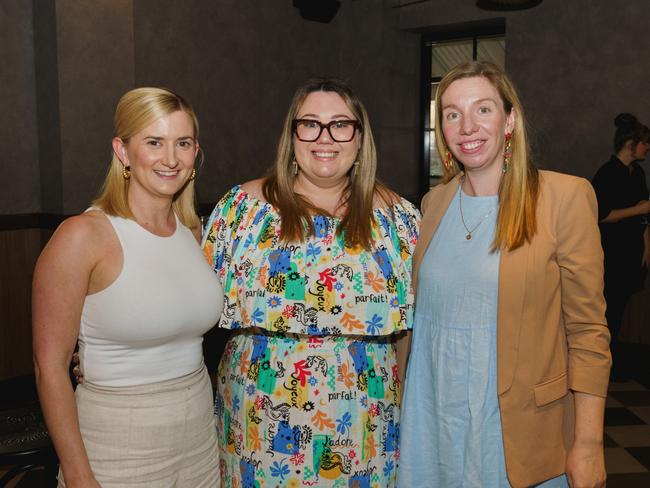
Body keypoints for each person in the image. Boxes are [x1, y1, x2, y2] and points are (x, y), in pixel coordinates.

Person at [398, 61, 611, 488]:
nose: (467, 126)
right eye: (453, 114)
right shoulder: (432, 204)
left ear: (509, 120)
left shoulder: (562, 197)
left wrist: (588, 443)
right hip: (431, 420)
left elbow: (588, 332)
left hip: (516, 433)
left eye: (483, 109)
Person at [201, 78, 420, 487]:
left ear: (359, 138)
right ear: (292, 134)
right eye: (310, 124)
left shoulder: (400, 220)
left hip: (366, 424)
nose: (325, 137)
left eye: (340, 124)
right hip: (259, 423)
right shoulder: (242, 212)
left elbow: (413, 325)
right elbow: (189, 307)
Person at [32, 87, 223, 487]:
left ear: (195, 152)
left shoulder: (193, 231)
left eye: (182, 143)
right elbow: (49, 366)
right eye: (154, 142)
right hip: (118, 440)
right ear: (123, 151)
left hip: (199, 434)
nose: (170, 159)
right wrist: (79, 475)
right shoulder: (82, 236)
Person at [591, 114, 650, 380]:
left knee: (620, 309)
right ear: (630, 144)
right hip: (612, 253)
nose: (647, 148)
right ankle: (601, 365)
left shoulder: (637, 172)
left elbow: (644, 216)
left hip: (631, 253)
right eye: (644, 143)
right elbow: (601, 215)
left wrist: (646, 247)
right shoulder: (607, 173)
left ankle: (612, 363)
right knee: (608, 310)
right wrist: (636, 210)